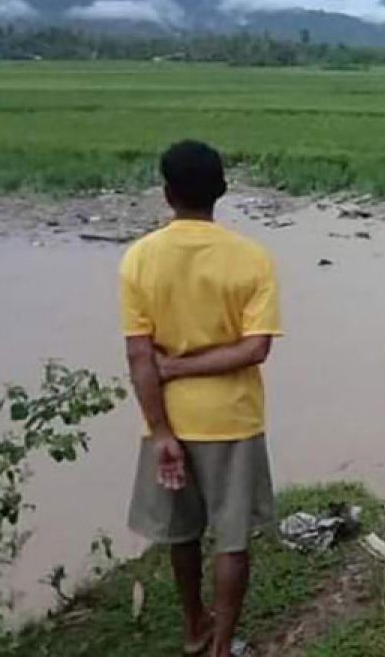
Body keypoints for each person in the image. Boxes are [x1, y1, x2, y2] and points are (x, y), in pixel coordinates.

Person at [120, 140, 282, 657]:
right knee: (232, 539)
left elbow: (139, 358)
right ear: (222, 191)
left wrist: (162, 429)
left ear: (167, 193)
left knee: (181, 532)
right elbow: (256, 349)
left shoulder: (140, 258)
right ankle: (221, 647)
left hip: (167, 421)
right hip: (232, 420)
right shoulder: (251, 258)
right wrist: (188, 365)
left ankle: (195, 625)